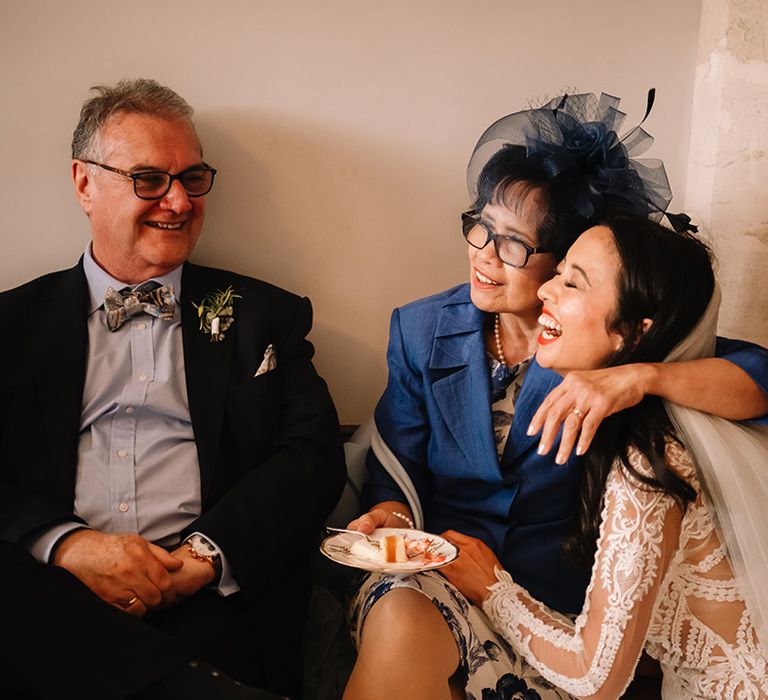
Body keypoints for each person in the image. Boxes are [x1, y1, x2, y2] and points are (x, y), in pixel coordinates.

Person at [343, 93, 768, 699]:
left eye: (514, 244)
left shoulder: (606, 341)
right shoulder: (419, 329)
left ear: (565, 259)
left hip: (565, 618)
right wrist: (394, 517)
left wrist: (639, 377)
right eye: (480, 227)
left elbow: (758, 373)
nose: (484, 255)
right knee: (399, 621)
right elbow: (396, 474)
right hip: (437, 576)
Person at [0, 78, 346, 700]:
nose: (179, 202)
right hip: (51, 592)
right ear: (84, 183)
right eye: (150, 179)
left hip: (209, 596)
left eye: (192, 178)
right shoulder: (9, 326)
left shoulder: (264, 316)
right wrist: (69, 546)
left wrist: (205, 557)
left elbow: (312, 456)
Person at [441, 217, 768, 698]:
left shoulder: (649, 462)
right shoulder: (661, 424)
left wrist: (492, 588)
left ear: (633, 334)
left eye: (572, 282)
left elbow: (594, 677)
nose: (546, 291)